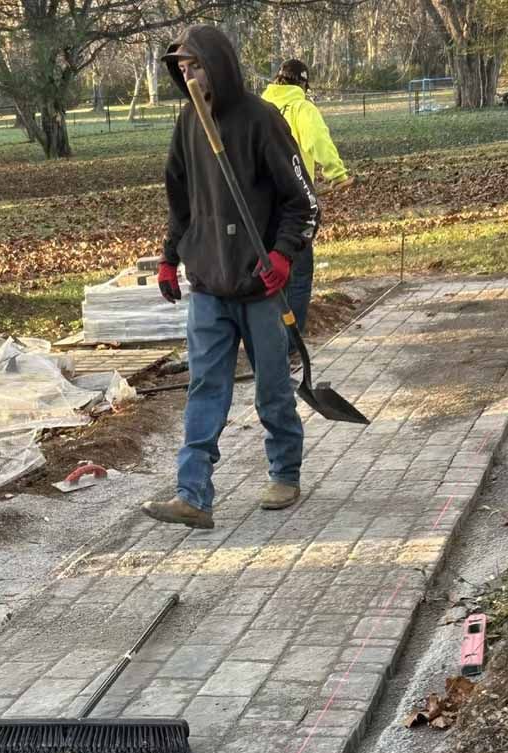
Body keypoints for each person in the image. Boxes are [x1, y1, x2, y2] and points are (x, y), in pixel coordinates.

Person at [141, 25, 321, 531]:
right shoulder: (187, 124)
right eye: (180, 68)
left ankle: (285, 471)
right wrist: (168, 257)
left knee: (271, 386)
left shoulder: (261, 120)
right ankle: (192, 493)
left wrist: (283, 255)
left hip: (260, 285)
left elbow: (303, 202)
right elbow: (181, 202)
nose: (187, 75)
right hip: (208, 284)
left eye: (194, 65)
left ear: (217, 65)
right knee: (205, 387)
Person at [261, 59, 353, 337]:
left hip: (261, 207)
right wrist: (337, 173)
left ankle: (267, 340)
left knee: (271, 276)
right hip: (294, 206)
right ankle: (290, 343)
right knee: (298, 273)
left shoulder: (258, 107)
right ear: (302, 84)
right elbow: (317, 140)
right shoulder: (302, 108)